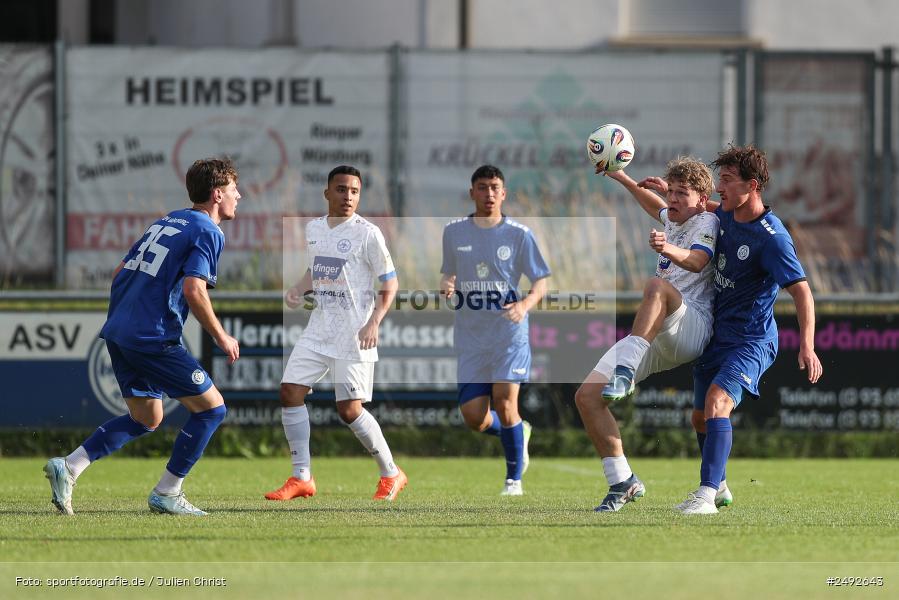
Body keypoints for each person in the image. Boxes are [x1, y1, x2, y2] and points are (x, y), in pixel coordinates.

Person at [44, 158, 242, 516]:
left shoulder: (168, 220)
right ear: (217, 194)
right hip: (152, 337)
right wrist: (221, 335)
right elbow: (195, 290)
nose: (238, 196)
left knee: (146, 418)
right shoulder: (209, 231)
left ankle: (69, 466)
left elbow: (120, 271)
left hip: (120, 332)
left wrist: (129, 314)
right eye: (233, 190)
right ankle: (168, 493)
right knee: (213, 410)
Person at [668, 144, 823, 514]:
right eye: (720, 179)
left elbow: (803, 294)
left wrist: (808, 346)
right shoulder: (725, 212)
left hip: (751, 340)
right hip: (717, 335)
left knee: (718, 404)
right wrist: (664, 191)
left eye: (727, 180)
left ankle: (705, 496)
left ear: (751, 186)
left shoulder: (772, 239)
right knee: (699, 417)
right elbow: (696, 208)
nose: (720, 187)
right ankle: (719, 486)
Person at [575, 157, 731, 512]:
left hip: (691, 325)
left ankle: (626, 371)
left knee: (656, 286)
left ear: (702, 198)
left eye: (682, 193)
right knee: (586, 396)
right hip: (656, 333)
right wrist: (622, 178)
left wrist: (666, 249)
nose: (672, 199)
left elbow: (696, 261)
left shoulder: (707, 220)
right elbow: (655, 206)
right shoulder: (675, 216)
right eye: (671, 191)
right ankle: (622, 481)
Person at [265, 165, 406, 502]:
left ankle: (391, 473)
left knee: (349, 411)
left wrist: (373, 323)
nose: (348, 197)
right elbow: (319, 269)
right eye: (341, 189)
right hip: (319, 329)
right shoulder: (314, 228)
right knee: (289, 392)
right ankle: (302, 477)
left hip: (354, 333)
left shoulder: (368, 233)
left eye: (354, 191)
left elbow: (391, 283)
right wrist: (299, 288)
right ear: (327, 193)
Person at [440, 164, 550, 496]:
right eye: (483, 187)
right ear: (472, 192)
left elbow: (541, 281)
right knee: (475, 417)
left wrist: (524, 305)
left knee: (505, 402)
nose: (489, 193)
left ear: (503, 194)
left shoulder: (519, 234)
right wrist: (446, 285)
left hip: (508, 333)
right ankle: (518, 430)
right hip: (472, 334)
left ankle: (513, 480)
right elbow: (448, 272)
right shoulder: (454, 232)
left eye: (495, 188)